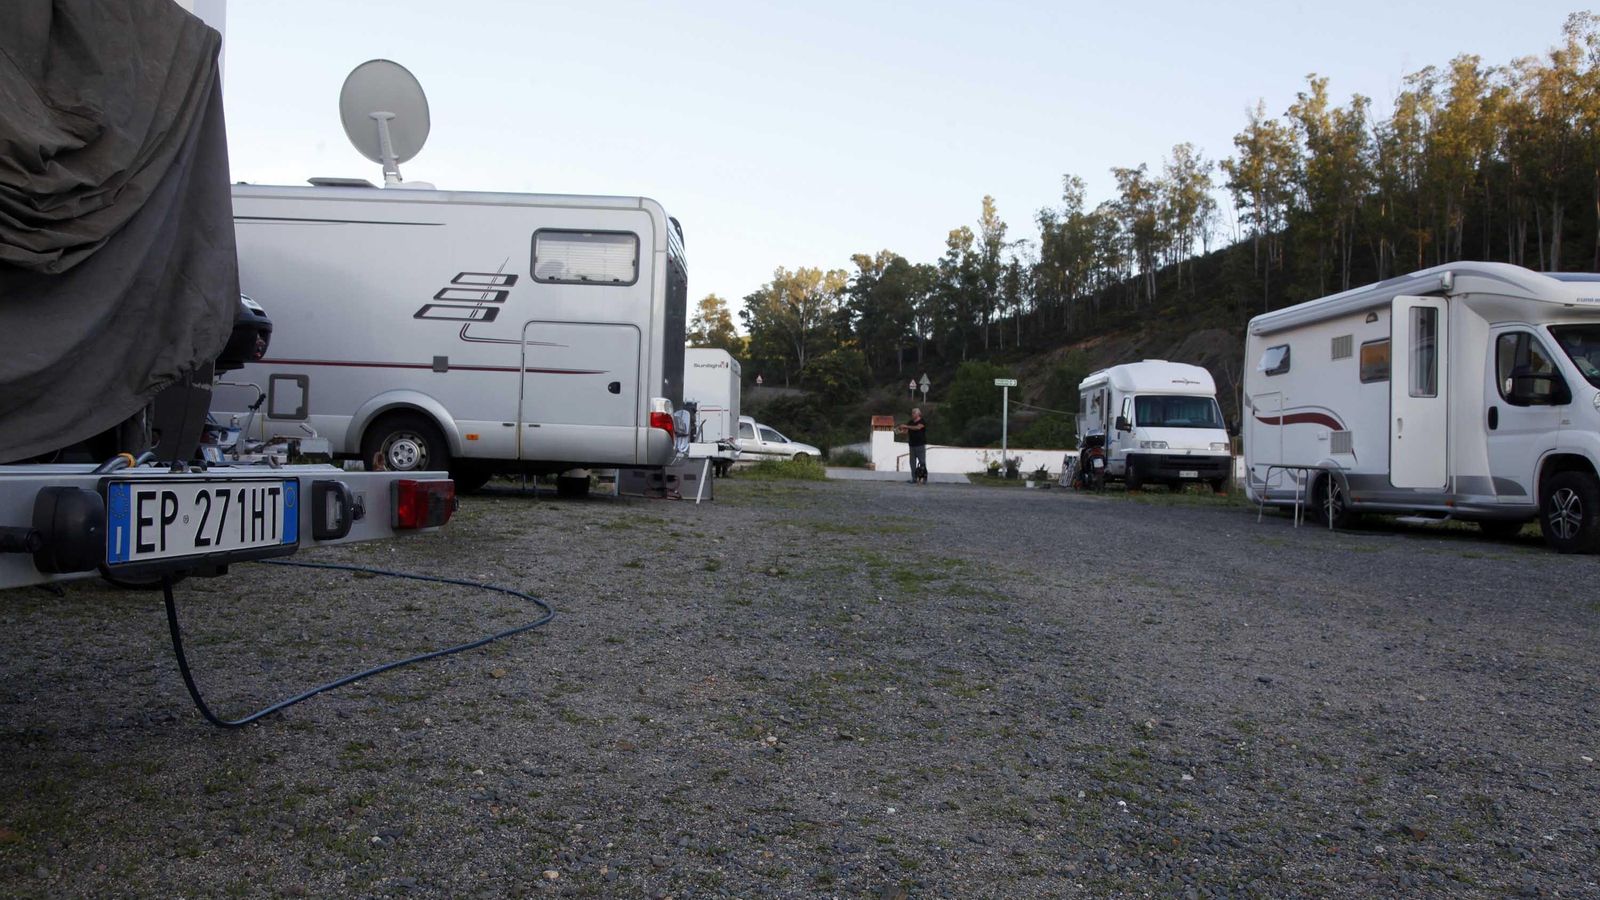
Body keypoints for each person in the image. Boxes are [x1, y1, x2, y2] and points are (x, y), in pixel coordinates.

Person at [896, 407, 928, 484]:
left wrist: (906, 426)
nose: (912, 414)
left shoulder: (922, 421)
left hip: (920, 444)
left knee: (922, 462)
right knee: (912, 463)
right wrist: (899, 430)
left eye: (914, 413)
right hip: (912, 445)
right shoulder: (910, 422)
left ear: (918, 414)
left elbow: (918, 428)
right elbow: (906, 431)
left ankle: (923, 479)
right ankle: (914, 478)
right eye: (912, 413)